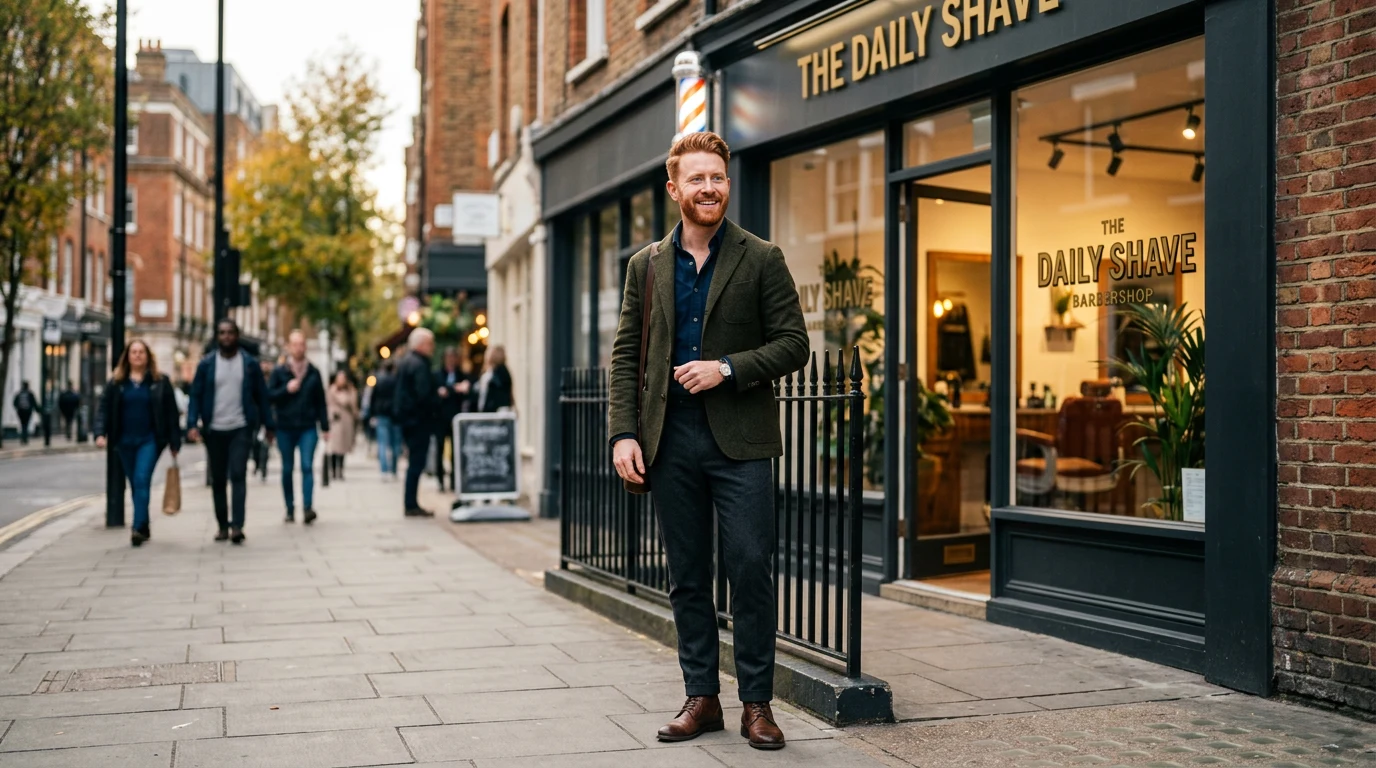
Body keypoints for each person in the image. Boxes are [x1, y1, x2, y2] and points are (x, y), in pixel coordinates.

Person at [608, 132, 808, 751]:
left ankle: (757, 705)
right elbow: (625, 356)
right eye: (696, 178)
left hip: (740, 441)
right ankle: (702, 697)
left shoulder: (762, 257)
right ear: (674, 188)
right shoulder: (646, 265)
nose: (708, 188)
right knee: (688, 575)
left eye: (717, 177)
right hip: (670, 441)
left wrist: (726, 368)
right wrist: (623, 433)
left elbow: (794, 344)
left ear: (728, 183)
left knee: (749, 568)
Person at [187, 318, 274, 544]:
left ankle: (237, 526)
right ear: (217, 336)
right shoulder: (206, 364)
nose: (226, 336)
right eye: (222, 333)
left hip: (240, 427)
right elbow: (195, 395)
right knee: (218, 479)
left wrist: (269, 425)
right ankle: (222, 526)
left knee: (238, 474)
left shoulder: (249, 364)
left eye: (230, 332)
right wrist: (192, 423)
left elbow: (262, 396)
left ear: (237, 336)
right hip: (214, 429)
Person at [93, 340, 182, 547]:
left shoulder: (160, 381)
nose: (137, 355)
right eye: (133, 352)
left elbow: (171, 413)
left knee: (141, 478)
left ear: (148, 356)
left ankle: (137, 527)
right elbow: (104, 409)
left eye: (141, 352)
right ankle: (144, 523)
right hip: (124, 440)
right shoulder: (116, 383)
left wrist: (174, 442)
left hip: (149, 440)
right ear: (128, 356)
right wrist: (100, 433)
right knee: (135, 483)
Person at [268, 330, 329, 524]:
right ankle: (290, 508)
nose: (298, 348)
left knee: (307, 466)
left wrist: (325, 427)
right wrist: (285, 389)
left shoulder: (313, 372)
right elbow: (269, 396)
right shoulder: (279, 372)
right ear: (289, 347)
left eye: (301, 344)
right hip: (285, 427)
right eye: (295, 344)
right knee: (287, 469)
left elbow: (321, 402)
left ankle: (308, 507)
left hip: (307, 427)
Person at [394, 327, 446, 517]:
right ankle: (411, 504)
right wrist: (437, 396)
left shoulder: (406, 362)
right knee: (416, 463)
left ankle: (411, 502)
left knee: (414, 463)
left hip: (409, 420)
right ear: (422, 344)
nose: (433, 348)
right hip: (418, 421)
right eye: (430, 344)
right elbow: (422, 395)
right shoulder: (419, 365)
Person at [436, 348, 466, 491]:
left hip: (456, 417)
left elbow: (467, 390)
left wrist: (449, 390)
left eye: (453, 357)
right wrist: (455, 389)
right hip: (440, 418)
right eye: (449, 357)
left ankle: (454, 481)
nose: (451, 360)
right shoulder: (437, 375)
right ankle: (440, 480)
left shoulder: (461, 374)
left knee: (456, 450)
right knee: (440, 449)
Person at [371, 359, 402, 481]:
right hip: (395, 415)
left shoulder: (379, 381)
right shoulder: (397, 381)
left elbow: (373, 398)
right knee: (395, 444)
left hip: (382, 414)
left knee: (382, 443)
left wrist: (372, 414)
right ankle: (393, 469)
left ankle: (384, 470)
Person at [325, 370, 359, 480]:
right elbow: (329, 405)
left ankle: (340, 470)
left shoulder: (351, 390)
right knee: (335, 447)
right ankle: (334, 470)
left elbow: (354, 406)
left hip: (347, 422)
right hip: (336, 421)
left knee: (343, 448)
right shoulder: (332, 390)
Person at [468, 345, 514, 413]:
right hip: (486, 409)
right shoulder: (488, 370)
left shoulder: (501, 371)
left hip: (497, 410)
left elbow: (500, 389)